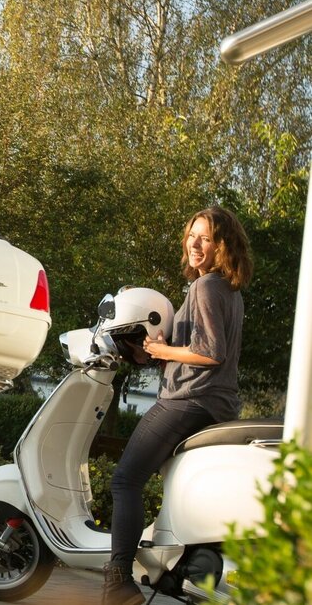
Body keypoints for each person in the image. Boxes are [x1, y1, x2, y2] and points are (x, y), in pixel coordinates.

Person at [102, 206, 254, 605]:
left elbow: (210, 353)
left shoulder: (205, 288)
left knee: (125, 480)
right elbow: (200, 350)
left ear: (223, 246)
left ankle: (117, 581)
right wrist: (153, 354)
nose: (195, 245)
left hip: (191, 400)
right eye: (192, 236)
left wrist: (161, 348)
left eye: (206, 238)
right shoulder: (227, 290)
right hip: (215, 401)